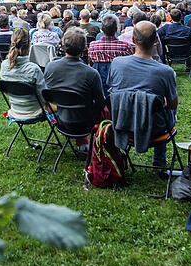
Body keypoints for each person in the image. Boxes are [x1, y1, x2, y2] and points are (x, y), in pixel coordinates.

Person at [107, 21, 178, 166]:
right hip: (156, 129)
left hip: (123, 123)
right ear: (156, 39)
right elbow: (172, 105)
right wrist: (155, 103)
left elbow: (112, 91)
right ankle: (159, 161)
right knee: (164, 113)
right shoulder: (166, 72)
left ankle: (120, 158)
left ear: (133, 40)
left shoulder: (116, 63)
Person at [45, 27, 106, 149]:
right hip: (85, 122)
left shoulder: (50, 67)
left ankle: (84, 143)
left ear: (62, 45)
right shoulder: (91, 73)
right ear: (84, 48)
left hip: (61, 119)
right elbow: (101, 103)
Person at [0, 29, 50, 120]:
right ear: (29, 46)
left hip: (15, 110)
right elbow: (44, 96)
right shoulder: (33, 69)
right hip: (35, 111)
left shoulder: (4, 66)